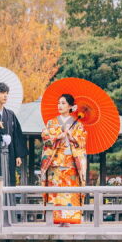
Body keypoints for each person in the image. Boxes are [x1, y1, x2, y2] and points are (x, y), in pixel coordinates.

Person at [39, 93, 87, 225]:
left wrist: (72, 137)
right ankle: (55, 218)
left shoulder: (78, 125)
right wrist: (58, 136)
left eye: (63, 103)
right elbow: (45, 137)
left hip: (71, 165)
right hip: (55, 164)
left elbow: (82, 142)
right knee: (56, 192)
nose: (60, 105)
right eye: (59, 103)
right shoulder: (51, 123)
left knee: (70, 192)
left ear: (71, 106)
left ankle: (70, 219)